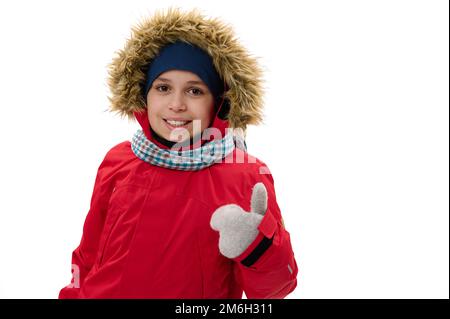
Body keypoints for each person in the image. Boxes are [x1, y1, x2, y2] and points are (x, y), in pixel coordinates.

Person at [59, 8, 298, 299]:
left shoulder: (245, 174)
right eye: (162, 88)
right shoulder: (118, 160)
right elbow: (88, 253)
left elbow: (275, 289)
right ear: (142, 95)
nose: (176, 104)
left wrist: (257, 246)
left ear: (220, 103)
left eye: (195, 91)